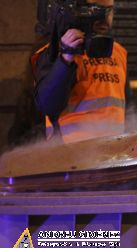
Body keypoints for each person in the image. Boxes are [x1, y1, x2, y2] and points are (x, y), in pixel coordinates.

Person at [31, 0, 127, 144]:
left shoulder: (118, 51)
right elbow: (47, 105)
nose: (105, 18)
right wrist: (66, 58)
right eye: (97, 10)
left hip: (112, 151)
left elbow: (125, 105)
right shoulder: (54, 52)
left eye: (110, 10)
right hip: (70, 154)